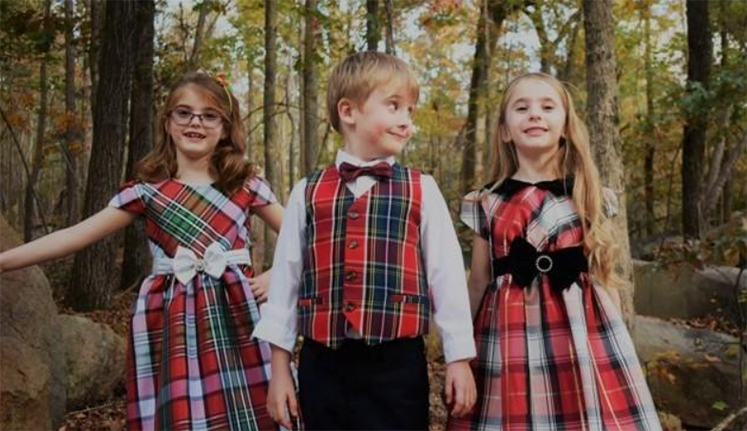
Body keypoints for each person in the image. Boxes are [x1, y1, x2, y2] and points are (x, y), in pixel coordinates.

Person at [0, 72, 286, 431]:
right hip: (172, 320)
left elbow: (304, 238)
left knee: (252, 410)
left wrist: (276, 275)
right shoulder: (146, 191)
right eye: (184, 112)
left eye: (209, 115)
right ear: (167, 122)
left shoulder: (245, 184)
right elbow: (75, 235)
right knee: (183, 414)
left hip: (239, 315)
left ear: (226, 128)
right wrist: (3, 261)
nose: (195, 121)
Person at [253, 51, 477, 431]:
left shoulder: (422, 189)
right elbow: (286, 285)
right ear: (349, 111)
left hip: (397, 366)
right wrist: (279, 371)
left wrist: (459, 359)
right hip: (322, 364)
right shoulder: (306, 192)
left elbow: (448, 279)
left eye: (410, 110)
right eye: (394, 106)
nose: (406, 120)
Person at [447, 72, 661, 431]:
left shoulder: (589, 195)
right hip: (507, 336)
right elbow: (478, 281)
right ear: (504, 130)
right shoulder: (486, 202)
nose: (534, 114)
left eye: (547, 107)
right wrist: (459, 353)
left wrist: (618, 343)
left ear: (565, 126)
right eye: (522, 107)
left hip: (578, 334)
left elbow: (602, 277)